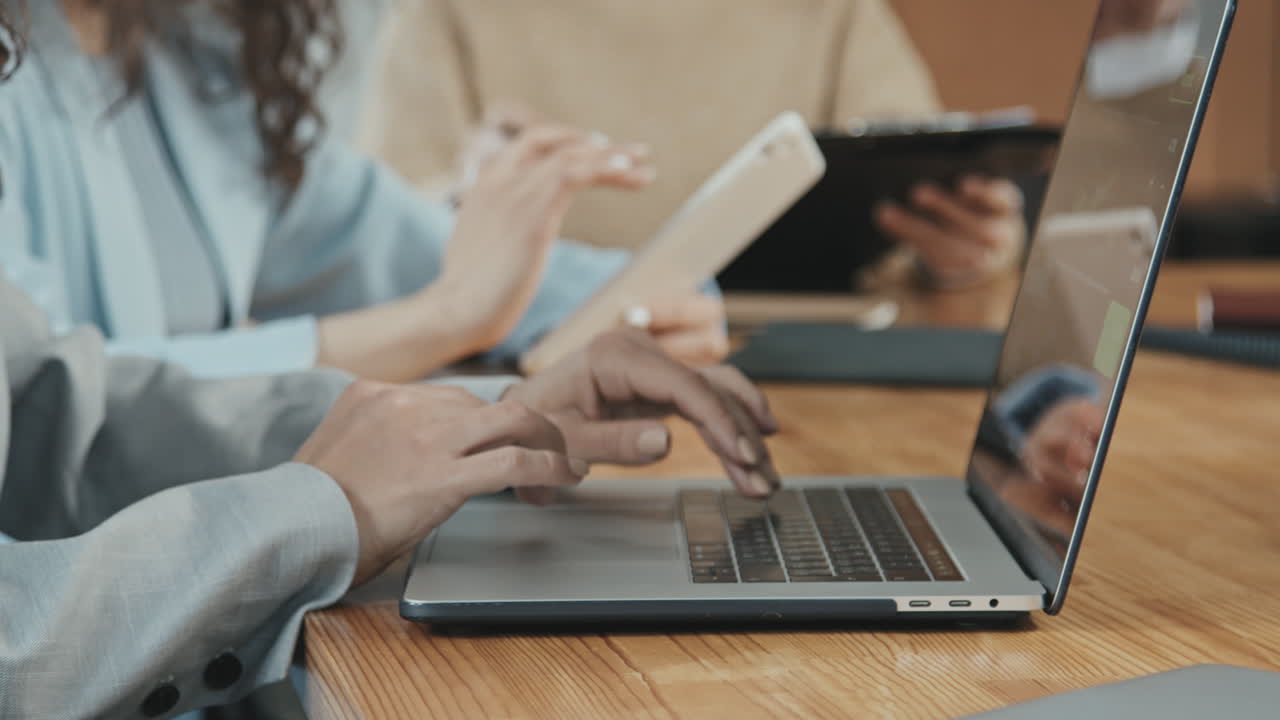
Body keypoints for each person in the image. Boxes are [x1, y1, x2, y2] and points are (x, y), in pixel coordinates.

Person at [0, 0, 727, 383]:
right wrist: (441, 321)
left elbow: (398, 246)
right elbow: (50, 395)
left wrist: (643, 306)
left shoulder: (184, 61)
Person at [359, 0, 1028, 290]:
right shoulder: (441, 15)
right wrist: (461, 201)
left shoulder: (833, 13)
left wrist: (963, 247)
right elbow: (374, 238)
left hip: (799, 367)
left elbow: (920, 174)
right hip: (528, 364)